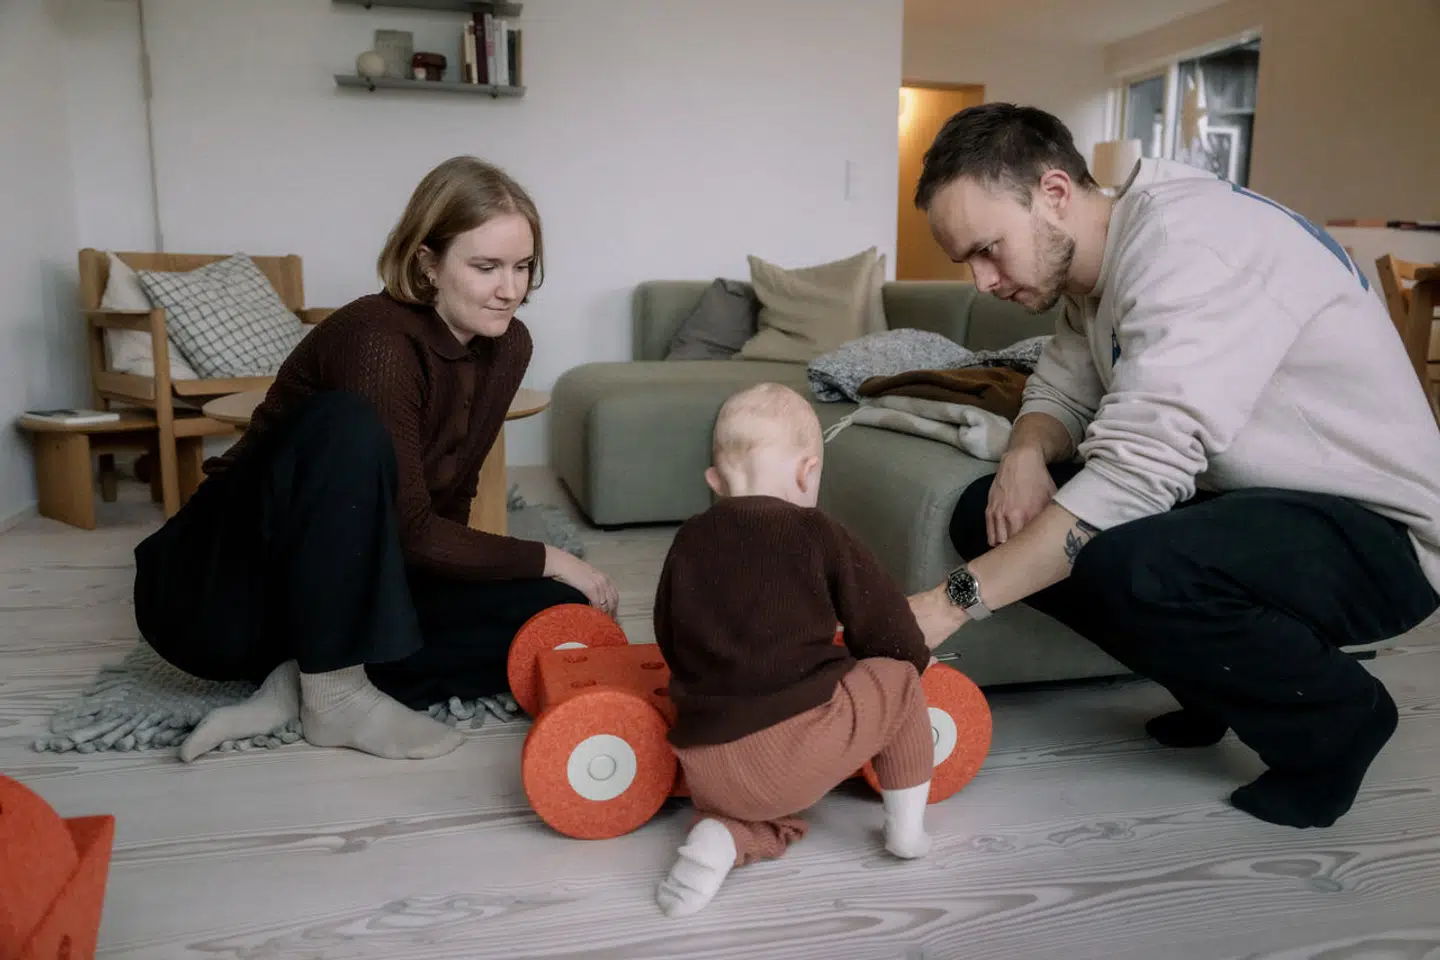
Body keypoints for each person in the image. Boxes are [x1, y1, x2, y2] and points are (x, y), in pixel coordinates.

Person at [904, 103, 1440, 830]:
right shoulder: (1092, 272)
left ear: (1054, 193)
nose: (981, 281)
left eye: (988, 249)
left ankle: (1339, 720)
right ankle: (1219, 685)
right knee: (986, 513)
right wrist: (1025, 454)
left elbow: (1134, 479)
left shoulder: (1191, 247)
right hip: (1258, 505)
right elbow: (1060, 394)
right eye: (968, 261)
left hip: (1385, 536)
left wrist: (947, 604)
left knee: (1132, 562)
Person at [132, 156, 618, 763]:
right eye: (486, 267)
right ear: (428, 262)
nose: (510, 290)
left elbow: (452, 497)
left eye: (522, 267)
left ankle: (302, 679)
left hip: (331, 603)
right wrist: (550, 556)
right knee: (347, 425)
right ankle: (335, 692)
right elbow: (411, 530)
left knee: (560, 617)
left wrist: (496, 587)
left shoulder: (507, 344)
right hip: (218, 595)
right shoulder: (377, 339)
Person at [651, 383, 935, 918]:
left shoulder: (688, 537)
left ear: (716, 482)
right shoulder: (817, 530)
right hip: (788, 753)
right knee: (899, 680)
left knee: (766, 813)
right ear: (808, 473)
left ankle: (718, 838)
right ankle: (906, 832)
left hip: (705, 763)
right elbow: (886, 623)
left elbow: (668, 629)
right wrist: (911, 660)